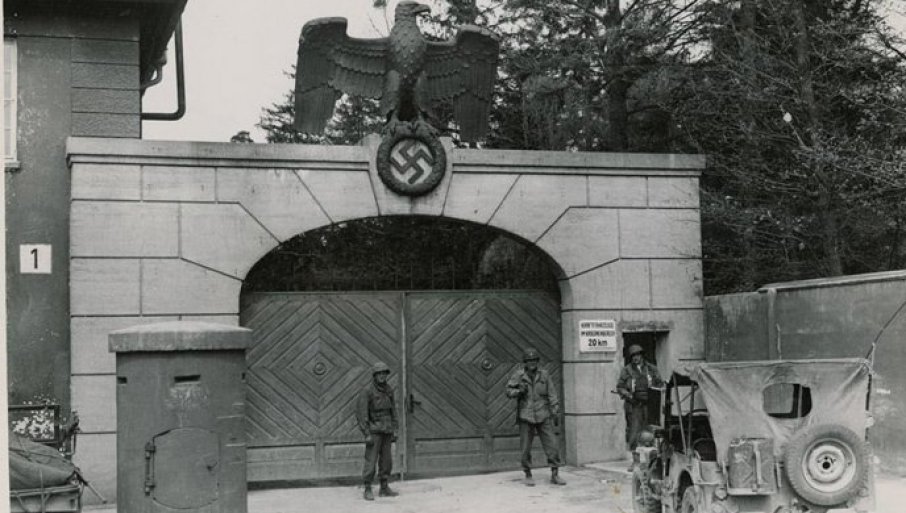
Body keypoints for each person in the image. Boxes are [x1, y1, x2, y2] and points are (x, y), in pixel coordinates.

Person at [506, 347, 566, 486]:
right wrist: (518, 391)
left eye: (534, 360)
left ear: (537, 361)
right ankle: (528, 473)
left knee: (552, 445)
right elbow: (508, 391)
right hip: (526, 415)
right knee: (525, 448)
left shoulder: (544, 375)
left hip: (543, 414)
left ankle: (555, 474)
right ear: (525, 362)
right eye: (529, 360)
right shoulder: (519, 375)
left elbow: (552, 393)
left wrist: (555, 410)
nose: (532, 363)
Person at [355, 361, 399, 501]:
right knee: (371, 460)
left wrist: (395, 428)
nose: (382, 376)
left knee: (387, 461)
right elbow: (362, 413)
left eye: (384, 373)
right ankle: (368, 488)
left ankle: (384, 487)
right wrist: (366, 433)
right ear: (374, 375)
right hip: (374, 431)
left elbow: (393, 411)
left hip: (387, 430)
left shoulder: (389, 390)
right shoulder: (367, 391)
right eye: (379, 373)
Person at [616, 344, 664, 470]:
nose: (635, 358)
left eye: (637, 355)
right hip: (634, 406)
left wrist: (656, 392)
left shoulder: (651, 369)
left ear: (642, 355)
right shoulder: (627, 370)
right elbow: (620, 386)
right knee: (634, 433)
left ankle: (653, 462)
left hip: (650, 405)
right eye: (633, 356)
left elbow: (660, 383)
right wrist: (627, 394)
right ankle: (635, 461)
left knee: (652, 432)